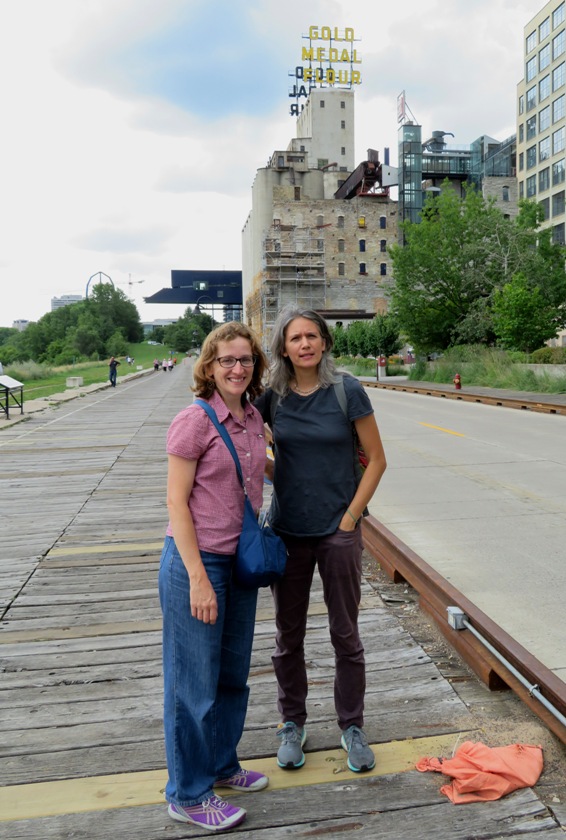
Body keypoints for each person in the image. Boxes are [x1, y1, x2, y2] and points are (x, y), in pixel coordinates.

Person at [253, 305, 387, 775]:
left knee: (345, 634)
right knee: (288, 637)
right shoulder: (273, 396)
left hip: (338, 532)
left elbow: (376, 459)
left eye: (312, 336)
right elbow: (260, 455)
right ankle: (292, 723)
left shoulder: (347, 390)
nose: (305, 344)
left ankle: (352, 725)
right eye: (295, 338)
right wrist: (273, 472)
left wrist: (350, 518)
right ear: (283, 348)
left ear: (325, 342)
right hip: (288, 532)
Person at [158, 321, 270, 832]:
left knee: (231, 675)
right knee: (192, 683)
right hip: (196, 563)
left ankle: (222, 765)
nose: (237, 368)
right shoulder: (195, 419)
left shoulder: (251, 419)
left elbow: (267, 473)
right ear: (209, 366)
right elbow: (176, 502)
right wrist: (198, 579)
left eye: (245, 359)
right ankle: (188, 792)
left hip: (239, 563)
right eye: (227, 359)